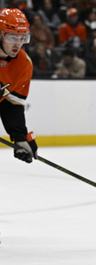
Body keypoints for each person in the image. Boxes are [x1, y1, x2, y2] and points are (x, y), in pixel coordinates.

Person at [0, 8, 38, 163]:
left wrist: (20, 137)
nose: (18, 44)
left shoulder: (23, 64)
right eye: (13, 37)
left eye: (22, 38)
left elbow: (12, 103)